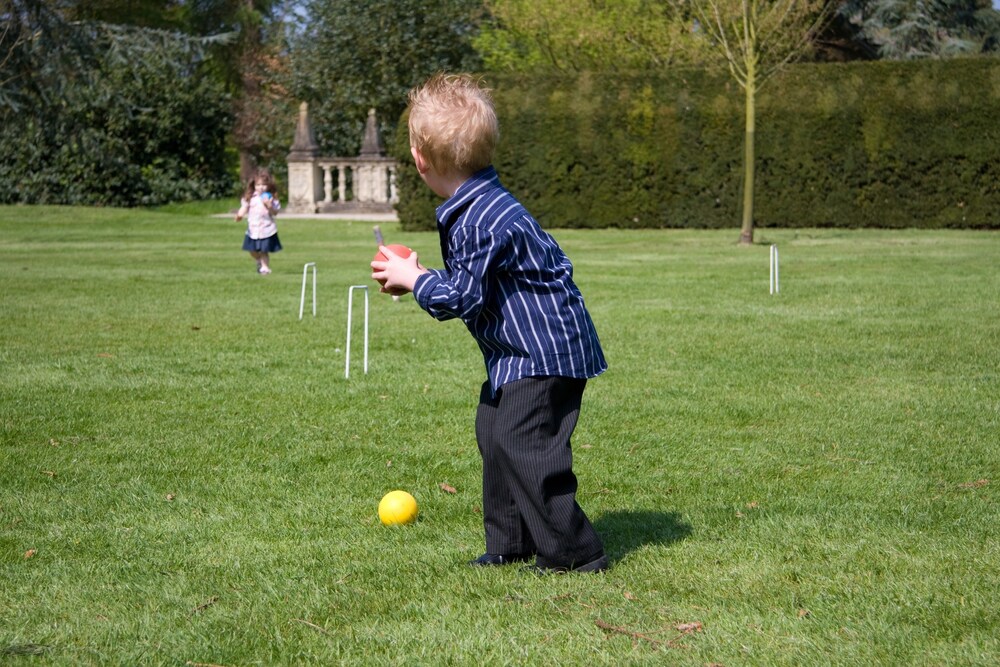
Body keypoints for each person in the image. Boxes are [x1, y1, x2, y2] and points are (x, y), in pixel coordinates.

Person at [372, 73, 609, 574]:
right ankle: (510, 543)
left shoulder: (480, 218)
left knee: (526, 444)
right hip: (518, 353)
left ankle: (574, 554)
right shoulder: (478, 204)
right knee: (495, 432)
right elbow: (471, 283)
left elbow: (460, 296)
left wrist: (415, 280)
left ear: (419, 158)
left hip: (545, 352)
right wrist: (419, 277)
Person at [235, 168, 282, 274]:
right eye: (258, 185)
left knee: (264, 250)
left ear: (269, 185)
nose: (261, 187)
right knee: (252, 250)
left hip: (267, 228)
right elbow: (244, 207)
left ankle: (265, 268)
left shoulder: (271, 198)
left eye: (263, 185)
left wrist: (269, 206)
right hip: (253, 229)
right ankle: (258, 261)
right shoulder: (251, 197)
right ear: (254, 185)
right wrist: (239, 215)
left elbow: (275, 212)